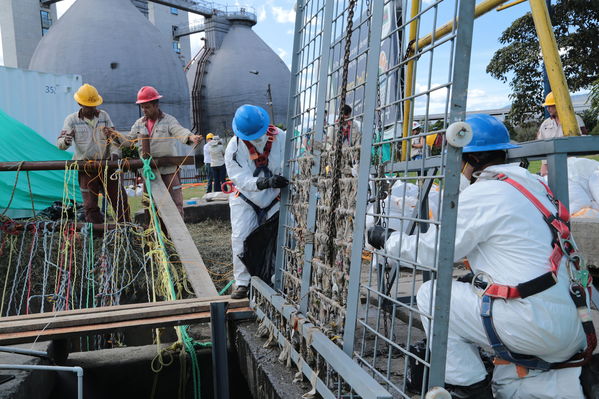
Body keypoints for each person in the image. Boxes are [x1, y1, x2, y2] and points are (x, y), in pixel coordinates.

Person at [368, 114, 594, 398]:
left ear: (469, 160)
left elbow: (432, 251)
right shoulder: (534, 185)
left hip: (536, 325)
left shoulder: (487, 193)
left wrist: (387, 240)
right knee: (507, 380)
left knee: (432, 294)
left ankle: (469, 388)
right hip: (572, 324)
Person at [225, 104, 288, 299]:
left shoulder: (281, 138)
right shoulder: (234, 147)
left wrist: (282, 179)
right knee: (241, 238)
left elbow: (293, 163)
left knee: (281, 238)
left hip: (275, 198)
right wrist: (263, 182)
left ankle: (279, 279)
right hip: (246, 199)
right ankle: (243, 282)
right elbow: (239, 178)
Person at [57, 83, 130, 223]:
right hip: (87, 168)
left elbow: (115, 140)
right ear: (80, 103)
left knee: (119, 200)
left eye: (93, 105)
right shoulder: (71, 120)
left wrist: (115, 155)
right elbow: (60, 144)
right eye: (87, 106)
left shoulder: (104, 116)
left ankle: (126, 231)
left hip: (108, 166)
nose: (91, 108)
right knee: (90, 205)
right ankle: (95, 235)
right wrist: (67, 140)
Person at [126, 86, 203, 217]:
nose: (144, 110)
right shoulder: (139, 124)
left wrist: (191, 137)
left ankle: (177, 235)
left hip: (168, 169)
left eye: (147, 107)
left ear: (156, 105)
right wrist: (114, 137)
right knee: (150, 204)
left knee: (175, 201)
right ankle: (157, 233)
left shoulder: (168, 120)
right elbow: (128, 140)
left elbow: (179, 131)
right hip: (149, 171)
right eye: (142, 107)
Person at [537, 92, 587, 176]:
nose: (548, 109)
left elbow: (584, 142)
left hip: (573, 165)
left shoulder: (575, 120)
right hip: (552, 166)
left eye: (551, 106)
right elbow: (542, 145)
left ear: (559, 104)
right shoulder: (545, 124)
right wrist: (544, 165)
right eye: (547, 106)